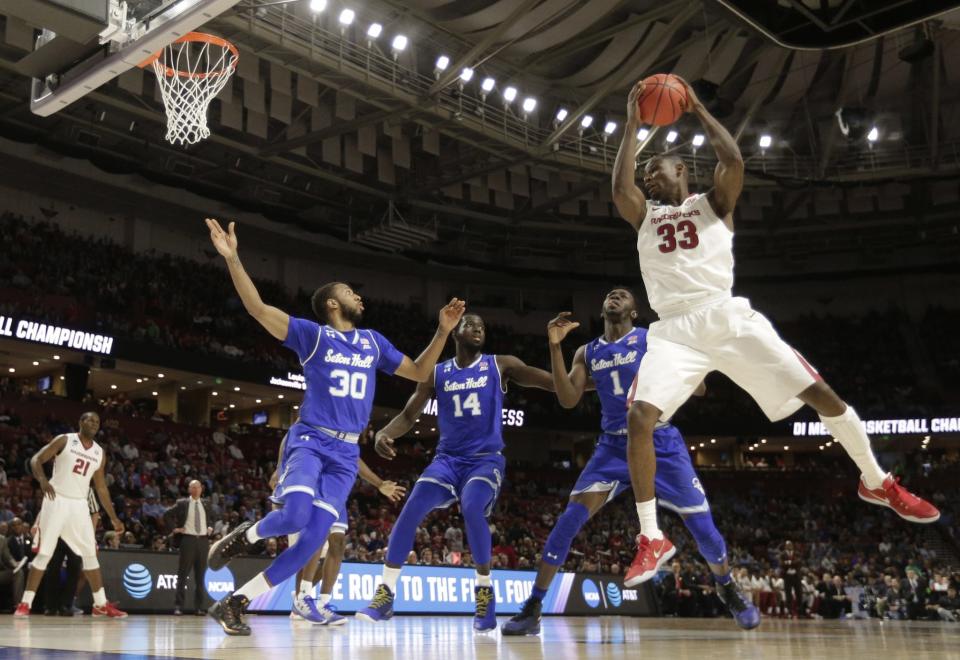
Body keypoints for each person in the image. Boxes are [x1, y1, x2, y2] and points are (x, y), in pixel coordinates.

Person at [610, 76, 940, 584]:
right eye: (646, 171)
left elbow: (733, 162)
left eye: (657, 169)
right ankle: (652, 536)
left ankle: (877, 481)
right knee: (639, 418)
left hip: (726, 315)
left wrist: (696, 107)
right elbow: (618, 188)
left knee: (822, 395)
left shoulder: (713, 204)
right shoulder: (645, 218)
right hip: (674, 331)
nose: (649, 177)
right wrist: (633, 124)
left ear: (682, 170)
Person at [202, 218, 464, 636]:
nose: (357, 295)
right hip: (311, 440)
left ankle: (235, 602)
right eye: (349, 291)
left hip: (346, 455)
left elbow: (417, 372)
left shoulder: (373, 342)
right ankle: (244, 535)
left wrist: (442, 331)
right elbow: (257, 309)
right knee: (295, 517)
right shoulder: (313, 336)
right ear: (332, 304)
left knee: (312, 544)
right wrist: (233, 258)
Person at [502, 289, 757, 635]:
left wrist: (686, 362)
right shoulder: (586, 351)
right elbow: (567, 398)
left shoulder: (652, 339)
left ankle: (727, 587)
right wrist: (554, 345)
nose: (615, 297)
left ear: (635, 313)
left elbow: (698, 390)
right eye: (610, 295)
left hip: (659, 440)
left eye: (623, 295)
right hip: (611, 447)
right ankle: (533, 607)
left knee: (704, 530)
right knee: (568, 521)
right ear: (603, 309)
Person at [356, 313, 553, 632]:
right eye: (471, 324)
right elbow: (408, 414)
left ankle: (485, 592)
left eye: (482, 326)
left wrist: (582, 382)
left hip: (485, 460)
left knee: (472, 506)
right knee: (411, 508)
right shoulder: (437, 373)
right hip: (447, 460)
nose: (478, 328)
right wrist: (384, 433)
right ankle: (386, 594)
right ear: (456, 333)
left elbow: (548, 381)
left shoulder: (499, 364)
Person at [14, 412, 127, 618]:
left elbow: (101, 488)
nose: (93, 423)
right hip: (56, 499)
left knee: (90, 554)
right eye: (90, 420)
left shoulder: (99, 453)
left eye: (97, 422)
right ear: (80, 422)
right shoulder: (65, 440)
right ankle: (25, 603)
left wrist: (113, 517)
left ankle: (101, 604)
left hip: (79, 505)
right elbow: (36, 459)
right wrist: (42, 480)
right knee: (45, 553)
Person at [274, 452, 405, 626]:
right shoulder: (311, 431)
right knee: (307, 550)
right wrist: (280, 476)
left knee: (338, 543)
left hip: (335, 493)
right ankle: (301, 599)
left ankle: (322, 603)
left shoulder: (346, 434)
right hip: (308, 488)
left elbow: (355, 458)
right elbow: (288, 447)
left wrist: (380, 484)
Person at [163, 479, 214, 615]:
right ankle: (179, 606)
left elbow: (212, 518)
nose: (196, 489)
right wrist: (175, 529)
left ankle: (199, 607)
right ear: (189, 490)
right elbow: (167, 514)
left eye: (198, 487)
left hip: (203, 542)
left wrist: (210, 526)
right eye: (193, 487)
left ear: (201, 489)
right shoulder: (182, 503)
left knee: (200, 576)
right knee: (183, 575)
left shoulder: (206, 503)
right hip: (188, 540)